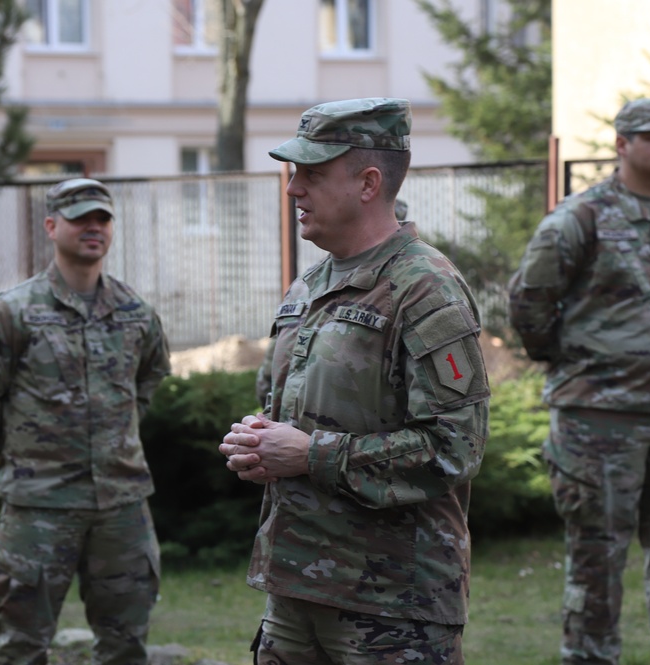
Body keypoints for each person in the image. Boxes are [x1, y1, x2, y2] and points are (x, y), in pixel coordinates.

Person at [220, 98, 490, 665]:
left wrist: (309, 454)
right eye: (294, 174)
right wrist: (261, 445)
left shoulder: (425, 288)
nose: (293, 190)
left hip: (392, 607)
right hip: (295, 590)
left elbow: (454, 447)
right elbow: (292, 418)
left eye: (311, 175)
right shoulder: (308, 286)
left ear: (369, 183)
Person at [508, 97, 650, 665]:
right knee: (598, 553)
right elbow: (529, 304)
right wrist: (578, 363)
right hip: (597, 417)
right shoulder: (579, 219)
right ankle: (590, 656)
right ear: (622, 145)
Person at [0, 177, 171, 665]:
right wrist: (25, 448)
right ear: (52, 226)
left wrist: (113, 438)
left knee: (126, 644)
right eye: (80, 219)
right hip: (40, 504)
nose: (93, 228)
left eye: (103, 219)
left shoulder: (136, 313)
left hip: (121, 504)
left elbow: (149, 381)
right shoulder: (14, 312)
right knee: (20, 646)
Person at [254, 198, 409, 408]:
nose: (294, 190)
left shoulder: (414, 284)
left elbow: (447, 430)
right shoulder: (307, 283)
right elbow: (274, 369)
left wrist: (309, 443)